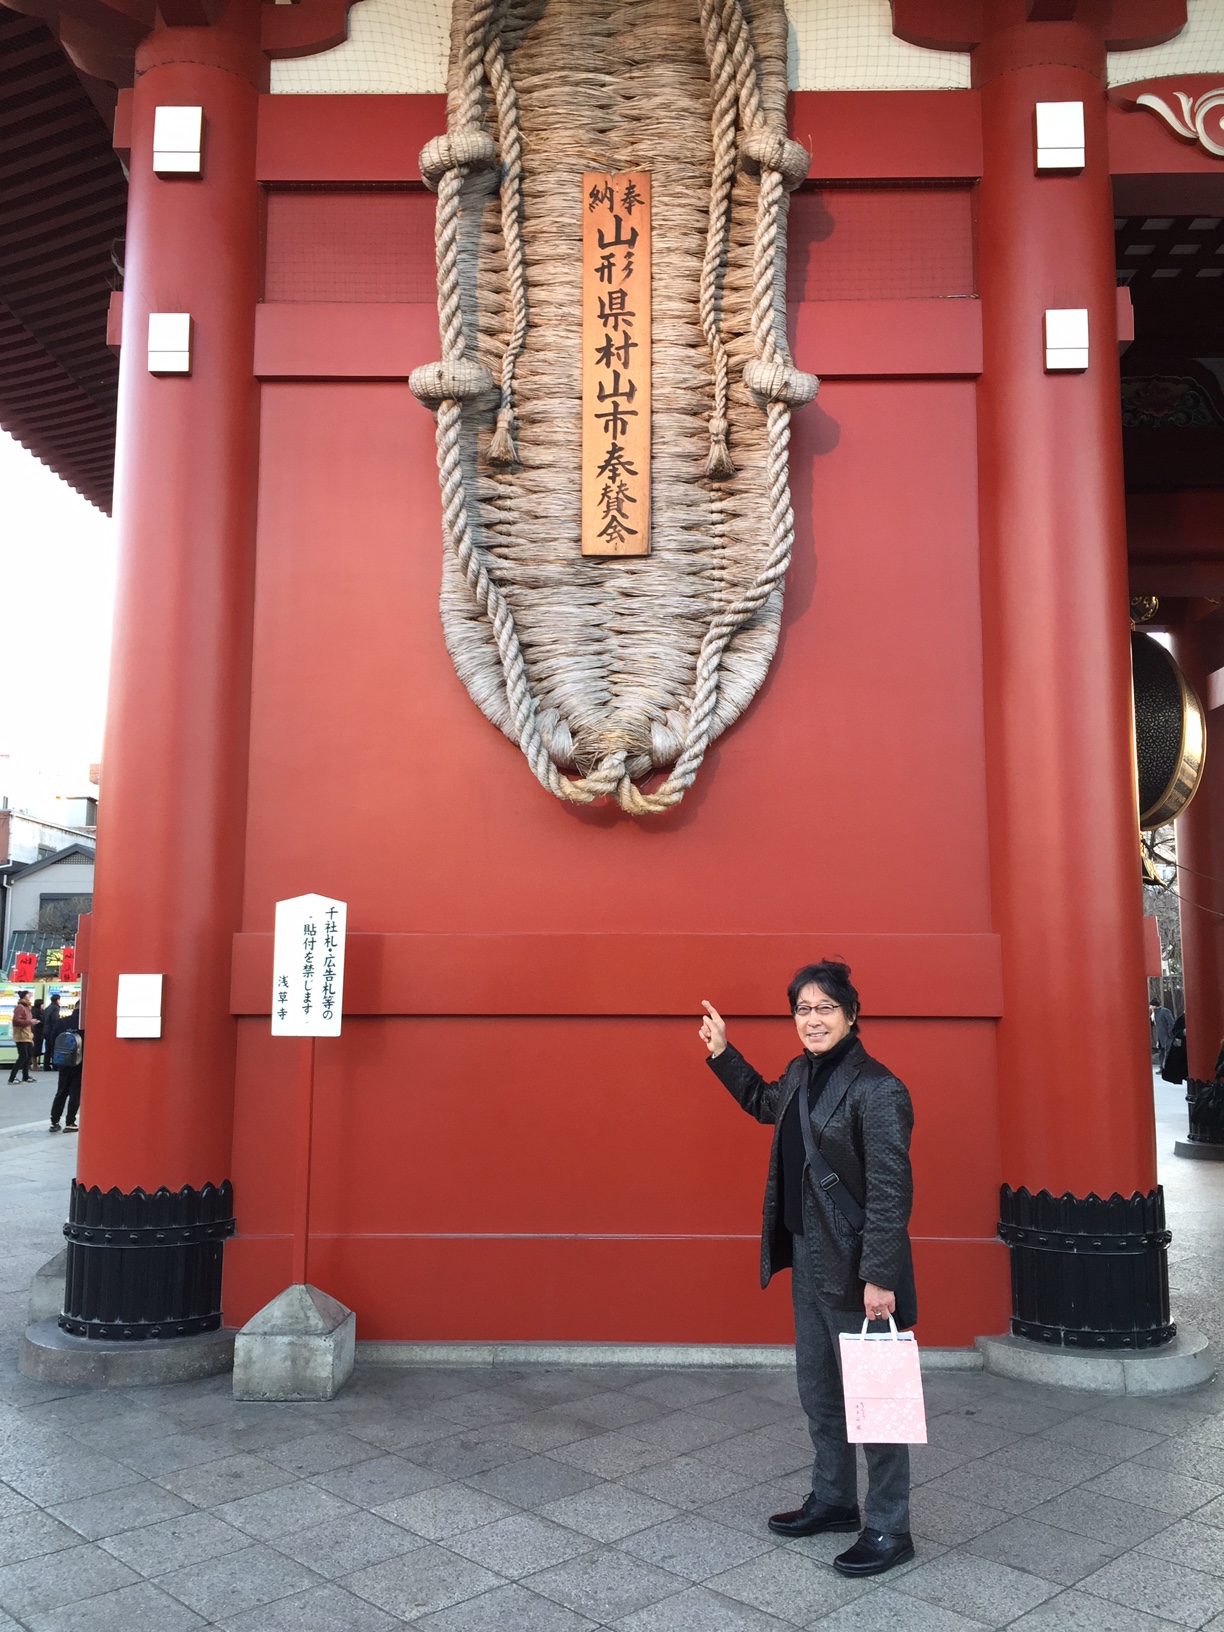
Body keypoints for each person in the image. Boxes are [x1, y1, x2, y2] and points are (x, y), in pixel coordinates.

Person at [700, 959, 916, 1578]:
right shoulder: (799, 1074)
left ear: (851, 1015)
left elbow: (890, 1191)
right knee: (820, 1394)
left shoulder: (878, 1088)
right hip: (807, 1260)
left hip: (857, 1274)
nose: (813, 1019)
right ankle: (834, 1500)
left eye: (825, 1008)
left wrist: (880, 1276)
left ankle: (889, 1526)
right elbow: (764, 1103)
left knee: (877, 1401)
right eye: (803, 1009)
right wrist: (723, 1053)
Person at [48, 1007, 82, 1133]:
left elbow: (52, 1039)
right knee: (75, 1092)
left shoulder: (62, 1022)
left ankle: (54, 1121)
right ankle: (70, 1122)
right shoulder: (84, 1025)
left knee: (61, 1091)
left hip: (63, 1061)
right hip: (79, 1063)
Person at [8, 991, 35, 1084]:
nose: (30, 996)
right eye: (28, 994)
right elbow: (16, 1021)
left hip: (27, 1035)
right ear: (23, 996)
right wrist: (30, 1022)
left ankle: (26, 1076)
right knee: (23, 1056)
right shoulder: (20, 1007)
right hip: (21, 1035)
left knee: (28, 1056)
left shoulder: (26, 1007)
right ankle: (12, 1078)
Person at [40, 993, 61, 1069]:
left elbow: (43, 1020)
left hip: (46, 1030)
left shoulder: (47, 1008)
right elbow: (55, 1019)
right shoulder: (55, 1008)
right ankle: (55, 1065)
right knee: (54, 1048)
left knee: (47, 1049)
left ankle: (46, 1065)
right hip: (52, 1030)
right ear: (57, 1000)